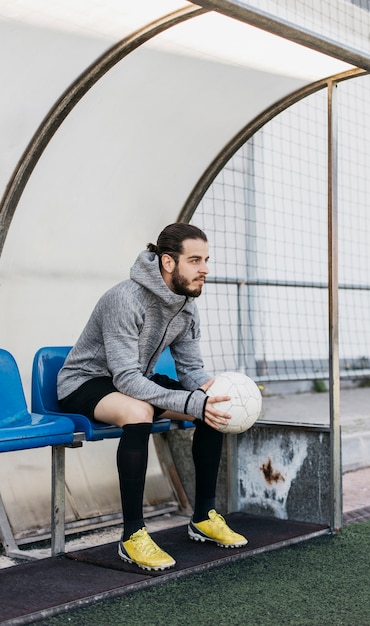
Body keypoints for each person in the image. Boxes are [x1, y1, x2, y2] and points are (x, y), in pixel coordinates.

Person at [57, 222, 247, 571]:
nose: (205, 269)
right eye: (195, 260)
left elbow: (191, 371)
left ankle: (204, 515)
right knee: (138, 410)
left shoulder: (186, 305)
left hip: (133, 380)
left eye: (206, 260)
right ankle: (132, 536)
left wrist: (208, 392)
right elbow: (125, 376)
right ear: (168, 262)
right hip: (85, 382)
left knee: (216, 403)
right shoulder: (125, 299)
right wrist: (188, 401)